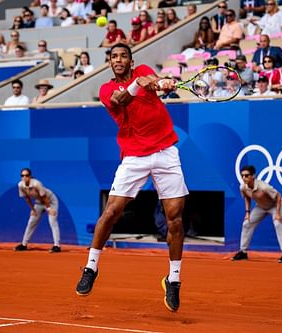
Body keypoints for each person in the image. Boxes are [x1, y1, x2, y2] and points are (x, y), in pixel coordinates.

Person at [75, 43, 188, 313]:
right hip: (134, 156)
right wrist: (143, 82)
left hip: (165, 151)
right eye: (114, 56)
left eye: (123, 56)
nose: (118, 60)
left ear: (131, 60)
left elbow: (151, 79)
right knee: (111, 212)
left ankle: (173, 279)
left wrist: (163, 83)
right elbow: (121, 99)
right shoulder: (105, 90)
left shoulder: (144, 71)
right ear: (109, 62)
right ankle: (91, 267)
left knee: (175, 218)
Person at [232, 165, 282, 263]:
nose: (244, 178)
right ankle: (243, 252)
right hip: (261, 206)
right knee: (246, 224)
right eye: (242, 176)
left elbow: (278, 196)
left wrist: (278, 213)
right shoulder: (243, 187)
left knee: (278, 224)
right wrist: (247, 212)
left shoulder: (263, 187)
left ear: (253, 176)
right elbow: (247, 197)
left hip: (275, 205)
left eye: (246, 176)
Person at [14, 168, 61, 253]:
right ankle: (24, 244)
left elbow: (45, 197)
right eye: (22, 176)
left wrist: (49, 209)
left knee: (52, 221)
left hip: (50, 201)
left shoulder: (36, 184)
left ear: (30, 176)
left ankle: (57, 246)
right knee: (31, 221)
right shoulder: (20, 185)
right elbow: (27, 198)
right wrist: (33, 210)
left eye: (26, 175)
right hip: (38, 203)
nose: (24, 177)